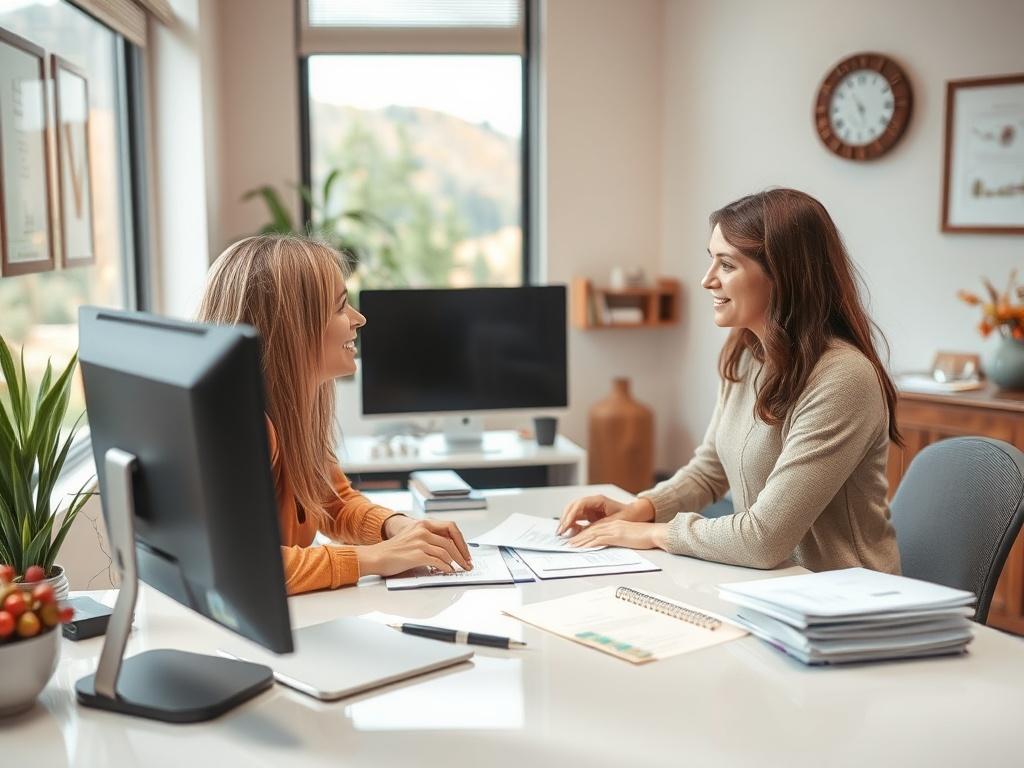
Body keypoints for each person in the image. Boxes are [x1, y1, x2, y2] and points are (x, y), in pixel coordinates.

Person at [558, 188, 902, 574]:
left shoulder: (844, 379)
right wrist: (641, 508)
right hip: (773, 590)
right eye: (711, 261)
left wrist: (655, 533)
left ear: (782, 276)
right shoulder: (746, 354)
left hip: (845, 604)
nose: (707, 280)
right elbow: (711, 469)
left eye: (727, 265)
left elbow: (763, 539)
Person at [197, 234, 473, 595]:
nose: (359, 319)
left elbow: (333, 502)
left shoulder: (291, 412)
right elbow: (244, 566)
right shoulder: (242, 427)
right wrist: (373, 559)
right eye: (341, 307)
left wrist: (395, 527)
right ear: (293, 328)